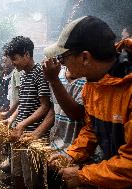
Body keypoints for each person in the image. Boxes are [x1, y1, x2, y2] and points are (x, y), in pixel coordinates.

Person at [44, 16, 132, 189]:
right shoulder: (93, 84)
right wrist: (71, 156)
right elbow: (91, 128)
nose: (62, 65)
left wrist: (83, 175)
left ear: (84, 57)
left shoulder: (128, 88)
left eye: (63, 58)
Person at [3, 36, 51, 189]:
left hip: (32, 135)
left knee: (31, 179)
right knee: (17, 173)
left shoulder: (41, 73)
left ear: (27, 55)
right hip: (19, 133)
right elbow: (22, 103)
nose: (13, 62)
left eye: (15, 58)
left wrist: (23, 124)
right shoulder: (23, 76)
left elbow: (45, 106)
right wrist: (12, 119)